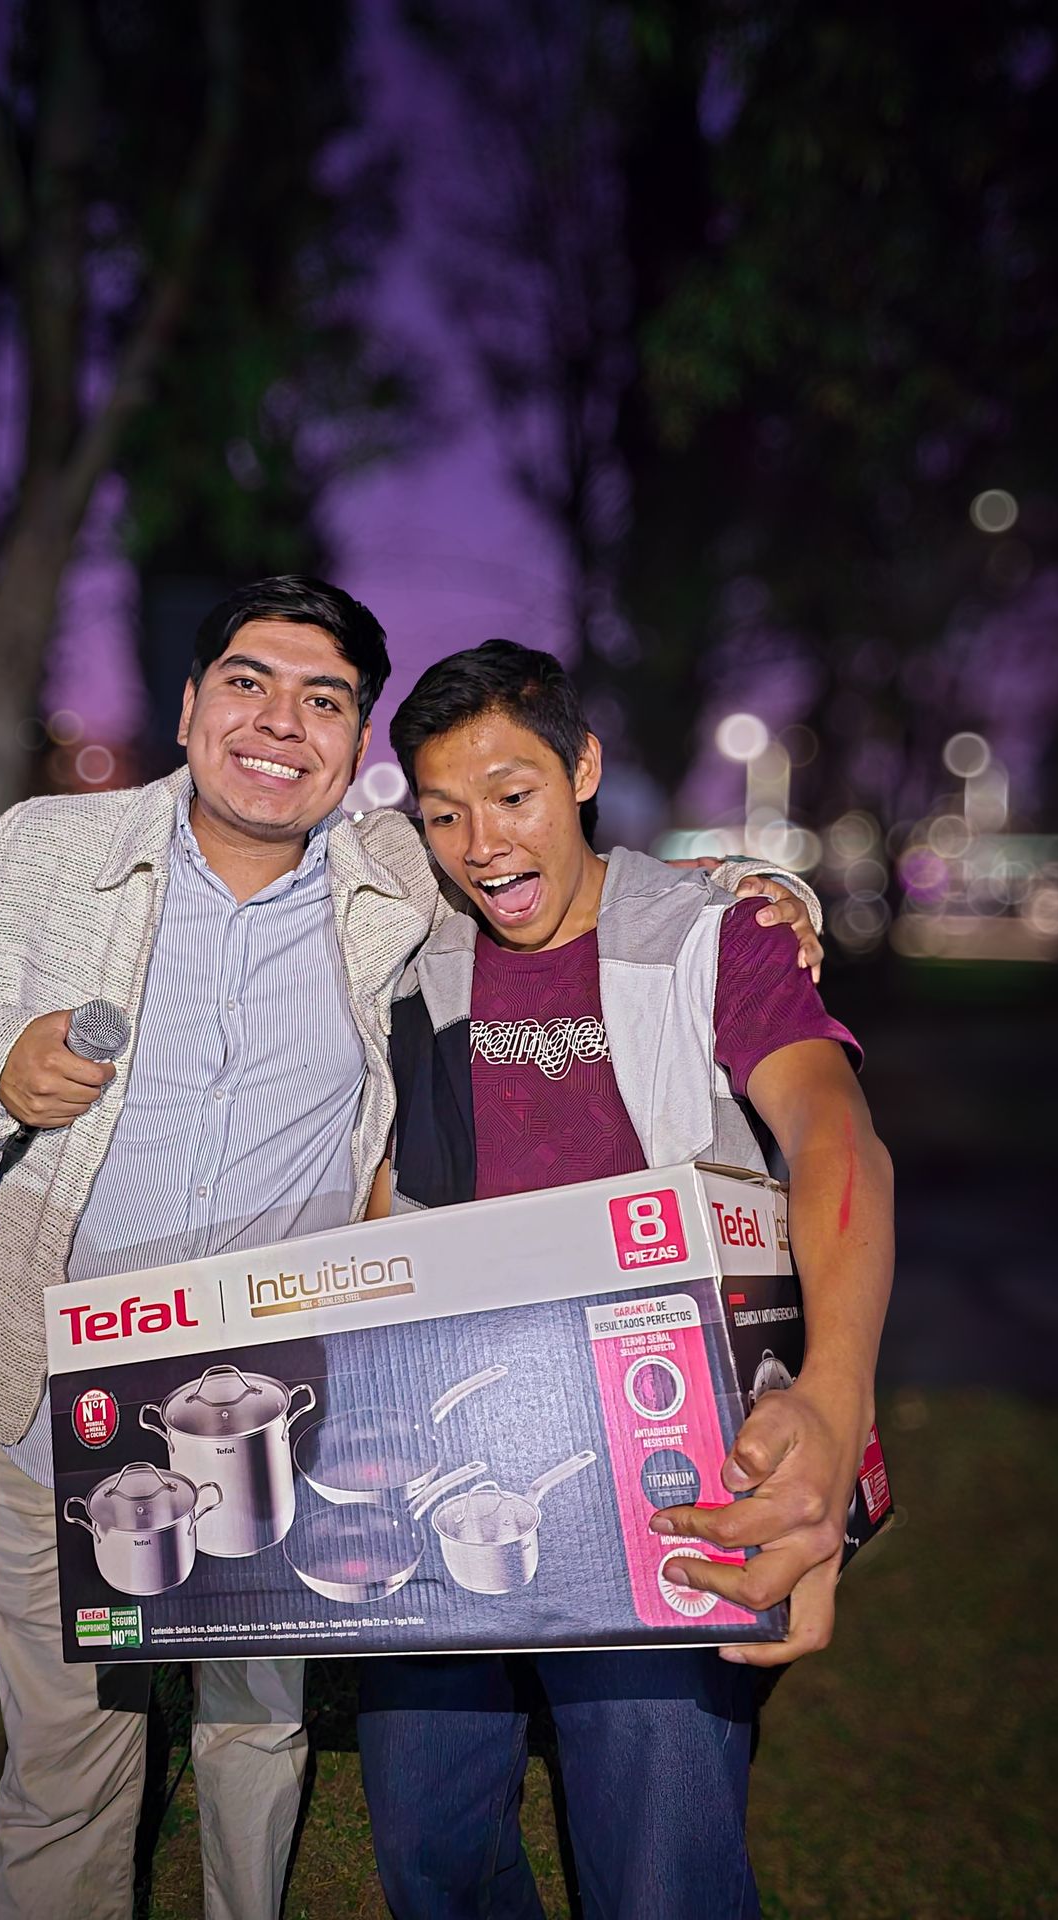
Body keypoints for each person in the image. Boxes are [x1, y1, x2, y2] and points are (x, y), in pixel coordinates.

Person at [0, 579, 822, 1920]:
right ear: (190, 705)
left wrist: (761, 888)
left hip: (278, 1404)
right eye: (247, 682)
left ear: (355, 741)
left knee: (256, 1733)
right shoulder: (49, 847)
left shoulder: (392, 875)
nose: (279, 722)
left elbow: (569, 867)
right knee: (64, 1768)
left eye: (322, 700)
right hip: (53, 1398)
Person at [359, 639, 894, 1920]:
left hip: (665, 1465)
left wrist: (836, 1392)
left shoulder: (711, 938)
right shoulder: (410, 953)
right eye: (444, 813)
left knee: (662, 1873)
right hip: (458, 1450)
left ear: (584, 769)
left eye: (513, 795)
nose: (482, 844)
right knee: (428, 1849)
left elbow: (836, 1139)